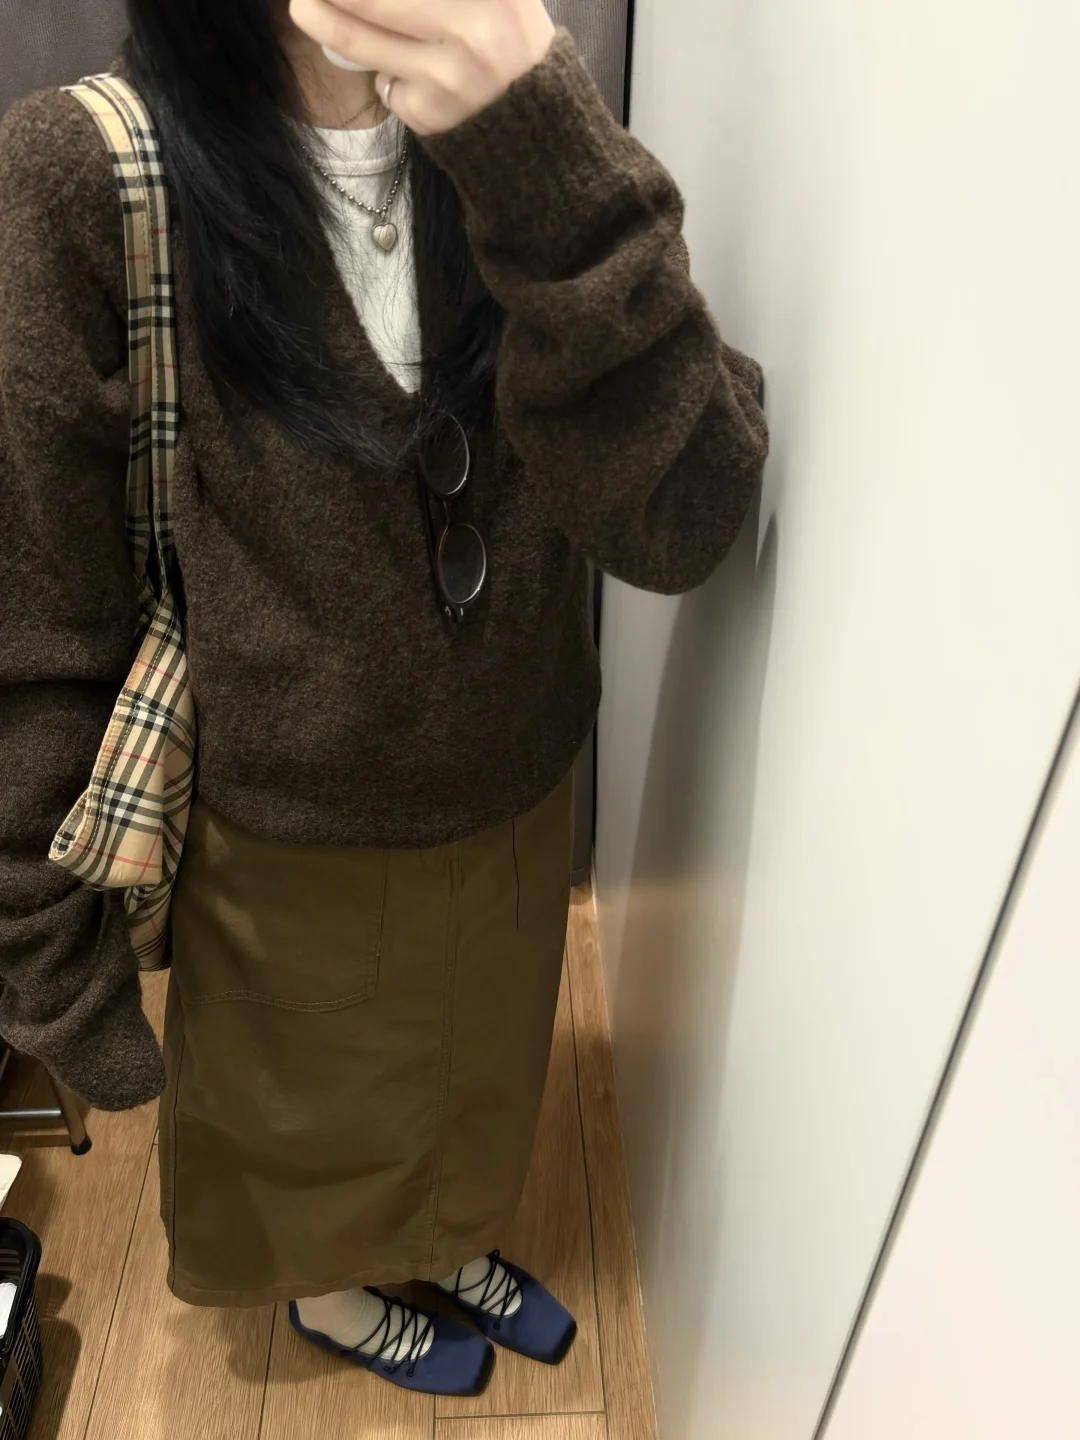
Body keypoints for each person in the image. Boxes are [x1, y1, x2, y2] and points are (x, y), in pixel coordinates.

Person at [0, 0, 767, 1400]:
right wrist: (49, 950)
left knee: (479, 1070)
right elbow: (37, 595)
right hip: (283, 821)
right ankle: (334, 1290)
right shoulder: (90, 167)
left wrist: (542, 147)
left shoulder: (529, 124)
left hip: (519, 779)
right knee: (306, 1117)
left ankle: (445, 1236)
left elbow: (685, 519)